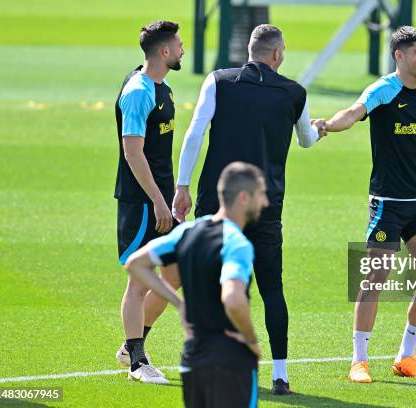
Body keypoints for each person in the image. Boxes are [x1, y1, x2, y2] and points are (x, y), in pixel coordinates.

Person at [172, 24, 326, 394]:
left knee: (214, 285)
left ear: (250, 51)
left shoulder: (220, 81)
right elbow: (306, 140)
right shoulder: (294, 93)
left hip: (218, 204)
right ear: (276, 54)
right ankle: (281, 374)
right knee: (272, 288)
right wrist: (319, 129)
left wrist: (182, 185)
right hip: (265, 206)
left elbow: (195, 133)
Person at [323, 26, 416, 382]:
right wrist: (328, 124)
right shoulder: (383, 90)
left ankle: (407, 356)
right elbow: (354, 113)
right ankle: (359, 360)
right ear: (399, 55)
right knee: (375, 280)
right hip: (388, 203)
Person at [125, 162, 268, 407]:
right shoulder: (237, 244)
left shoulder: (189, 231)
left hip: (193, 358)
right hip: (230, 358)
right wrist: (251, 341)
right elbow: (233, 300)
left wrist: (178, 303)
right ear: (243, 198)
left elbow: (135, 264)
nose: (265, 202)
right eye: (261, 195)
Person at [114, 20, 184, 384]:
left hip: (163, 200)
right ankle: (137, 362)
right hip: (143, 203)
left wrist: (174, 197)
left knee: (177, 270)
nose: (184, 49)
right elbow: (133, 153)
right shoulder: (139, 92)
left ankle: (133, 344)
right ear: (165, 52)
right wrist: (158, 201)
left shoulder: (163, 88)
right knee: (140, 279)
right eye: (180, 44)